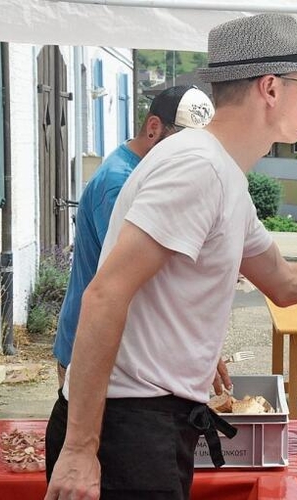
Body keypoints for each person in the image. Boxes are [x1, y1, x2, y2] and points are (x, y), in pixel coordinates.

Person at [44, 13, 297, 500]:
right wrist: (80, 449)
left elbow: (284, 281)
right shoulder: (198, 168)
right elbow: (105, 294)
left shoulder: (222, 174)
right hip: (125, 426)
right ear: (271, 88)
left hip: (150, 424)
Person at [53, 85, 215, 387]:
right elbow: (136, 278)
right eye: (183, 143)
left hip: (115, 347)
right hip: (90, 349)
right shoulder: (119, 182)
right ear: (153, 128)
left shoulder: (148, 171)